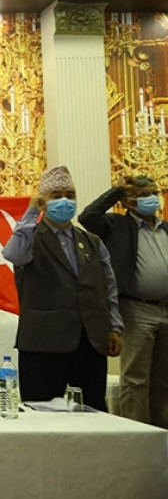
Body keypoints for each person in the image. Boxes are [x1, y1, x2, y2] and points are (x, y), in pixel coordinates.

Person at [2, 165, 123, 411]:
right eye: (56, 196)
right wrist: (31, 213)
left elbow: (108, 287)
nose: (64, 201)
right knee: (41, 411)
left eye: (70, 195)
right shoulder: (31, 236)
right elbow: (13, 254)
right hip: (44, 340)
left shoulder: (91, 241)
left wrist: (114, 327)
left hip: (90, 339)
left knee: (93, 411)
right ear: (43, 201)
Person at [79, 175, 167, 424]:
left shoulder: (166, 228)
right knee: (136, 378)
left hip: (166, 307)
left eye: (154, 193)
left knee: (164, 379)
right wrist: (117, 190)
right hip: (137, 307)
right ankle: (138, 433)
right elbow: (88, 217)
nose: (151, 199)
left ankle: (163, 435)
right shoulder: (116, 225)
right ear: (128, 202)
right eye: (143, 195)